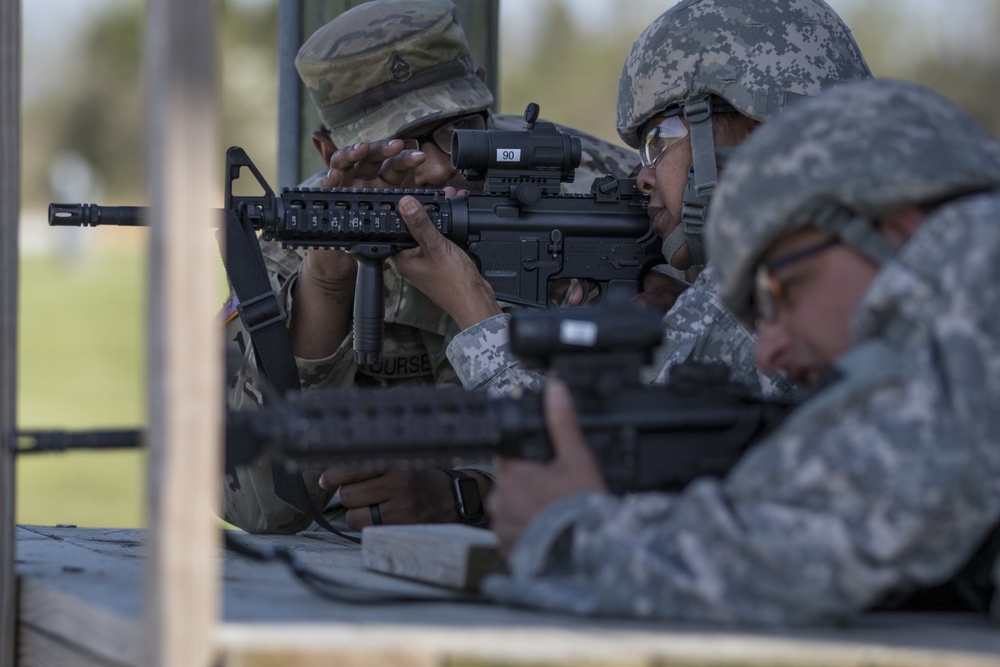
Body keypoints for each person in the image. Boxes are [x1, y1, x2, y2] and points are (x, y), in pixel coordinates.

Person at [482, 78, 1000, 624]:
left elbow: (803, 549)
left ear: (898, 229)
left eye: (784, 291)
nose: (768, 350)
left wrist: (569, 533)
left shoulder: (976, 257)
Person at [220, 0, 638, 534]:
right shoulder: (299, 235)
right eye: (394, 148)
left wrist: (467, 496)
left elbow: (675, 437)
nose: (438, 165)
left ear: (485, 94)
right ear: (329, 151)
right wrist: (324, 287)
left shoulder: (595, 189)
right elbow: (257, 507)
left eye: (457, 129)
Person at [390, 0, 871, 400]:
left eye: (660, 139)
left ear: (756, 127)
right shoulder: (856, 241)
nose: (642, 177)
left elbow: (579, 470)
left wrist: (472, 307)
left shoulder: (776, 275)